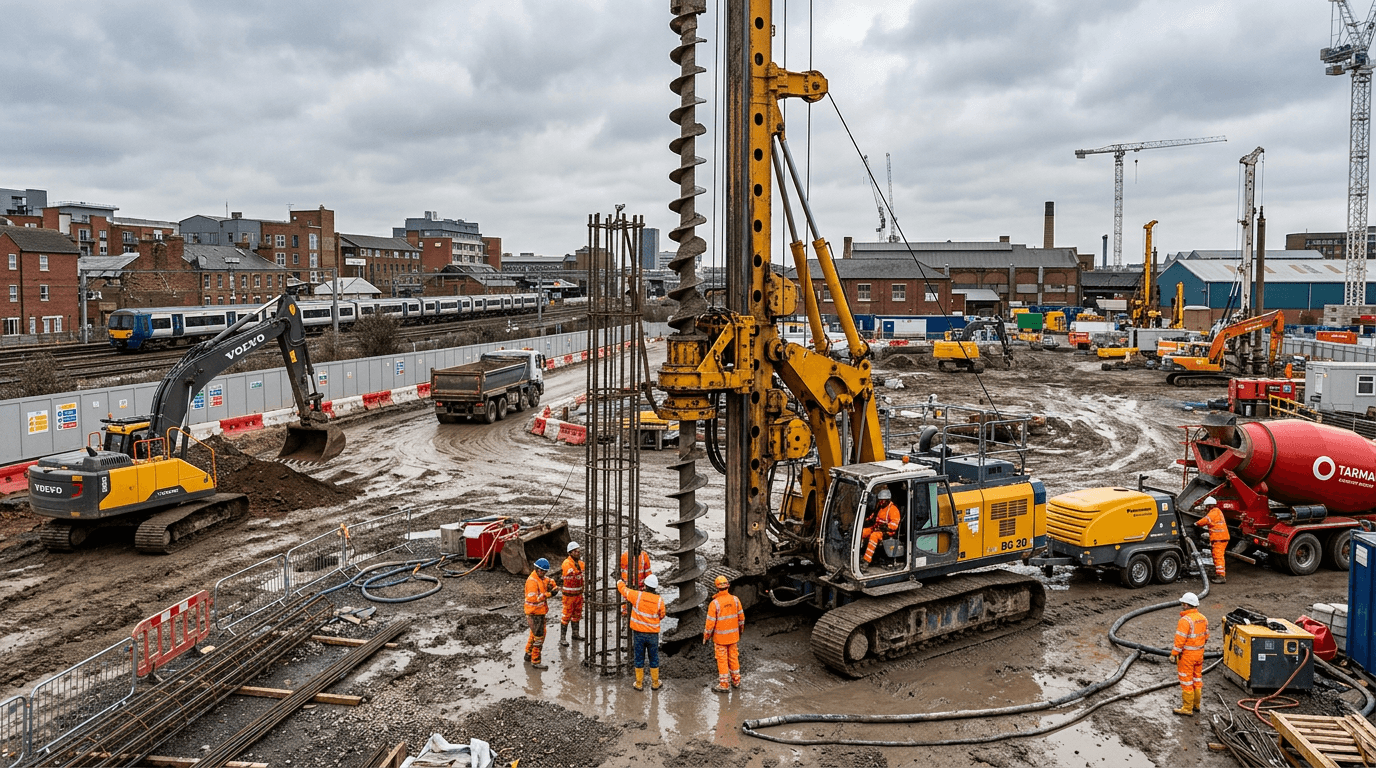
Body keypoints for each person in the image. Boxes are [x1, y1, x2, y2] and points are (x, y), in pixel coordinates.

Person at [617, 573, 666, 691]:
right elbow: (662, 615)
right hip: (653, 635)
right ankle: (655, 683)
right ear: (655, 587)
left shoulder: (637, 596)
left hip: (639, 634)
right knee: (654, 657)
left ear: (644, 585)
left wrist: (619, 582)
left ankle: (639, 683)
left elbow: (624, 591)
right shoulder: (659, 600)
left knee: (639, 657)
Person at [703, 574, 744, 692]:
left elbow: (709, 624)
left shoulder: (714, 604)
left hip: (720, 639)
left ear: (716, 587)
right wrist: (740, 631)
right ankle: (736, 681)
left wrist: (706, 636)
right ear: (728, 586)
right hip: (733, 637)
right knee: (733, 658)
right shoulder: (735, 600)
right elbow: (741, 618)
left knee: (722, 660)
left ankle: (724, 684)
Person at [1170, 591, 1208, 716]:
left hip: (1187, 656)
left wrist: (1174, 654)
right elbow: (1206, 636)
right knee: (1197, 679)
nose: (1182, 605)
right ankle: (1196, 705)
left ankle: (1187, 708)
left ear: (1186, 605)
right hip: (1199, 654)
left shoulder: (1185, 621)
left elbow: (1180, 640)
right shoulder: (1203, 618)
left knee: (1186, 681)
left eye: (1183, 603)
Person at [523, 558, 558, 670]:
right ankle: (536, 661)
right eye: (543, 571)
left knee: (534, 634)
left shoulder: (540, 578)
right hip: (534, 613)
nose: (544, 574)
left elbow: (547, 580)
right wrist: (549, 594)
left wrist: (553, 585)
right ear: (537, 569)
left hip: (539, 612)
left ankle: (528, 654)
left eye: (545, 572)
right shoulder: (532, 581)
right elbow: (534, 598)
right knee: (539, 637)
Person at [862, 487, 902, 566]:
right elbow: (874, 516)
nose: (880, 502)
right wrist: (866, 520)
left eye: (882, 500)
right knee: (862, 532)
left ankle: (866, 560)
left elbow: (894, 525)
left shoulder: (893, 509)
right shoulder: (879, 507)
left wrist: (883, 527)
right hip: (876, 527)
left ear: (887, 500)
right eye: (879, 500)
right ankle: (859, 553)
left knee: (874, 536)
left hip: (887, 531)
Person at [1194, 496, 1230, 584]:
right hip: (1220, 537)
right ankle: (1219, 574)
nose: (1206, 508)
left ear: (1210, 506)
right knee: (1217, 556)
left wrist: (1196, 523)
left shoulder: (1214, 513)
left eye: (1206, 506)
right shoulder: (1217, 511)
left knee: (1218, 557)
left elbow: (1206, 520)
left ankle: (1221, 576)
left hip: (1219, 538)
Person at [559, 541, 584, 647]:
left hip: (578, 594)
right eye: (575, 551)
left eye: (578, 550)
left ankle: (575, 634)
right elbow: (572, 573)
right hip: (569, 596)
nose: (577, 552)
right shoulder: (566, 563)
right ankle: (562, 638)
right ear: (570, 553)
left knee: (577, 615)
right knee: (566, 616)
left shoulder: (581, 563)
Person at [619, 548, 652, 615]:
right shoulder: (625, 556)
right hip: (630, 585)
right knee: (629, 602)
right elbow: (622, 571)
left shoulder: (644, 555)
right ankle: (627, 613)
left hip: (639, 585)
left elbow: (647, 571)